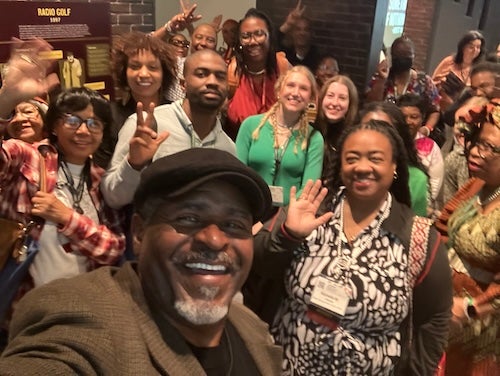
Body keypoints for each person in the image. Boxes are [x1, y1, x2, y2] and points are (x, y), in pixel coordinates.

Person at [0, 148, 282, 374]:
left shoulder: (251, 327)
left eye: (234, 224)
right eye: (188, 219)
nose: (215, 240)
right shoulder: (82, 320)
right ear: (139, 232)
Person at [251, 121, 452, 375]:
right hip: (288, 367)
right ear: (341, 164)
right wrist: (288, 236)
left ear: (395, 168)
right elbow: (257, 264)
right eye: (352, 158)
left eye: (375, 159)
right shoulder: (314, 209)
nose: (362, 167)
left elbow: (435, 318)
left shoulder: (418, 236)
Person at [0, 42, 125, 319]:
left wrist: (66, 217)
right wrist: (5, 101)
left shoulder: (99, 180)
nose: (83, 130)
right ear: (54, 125)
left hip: (86, 309)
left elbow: (114, 248)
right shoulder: (27, 157)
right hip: (26, 310)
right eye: (73, 120)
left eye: (94, 124)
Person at [101, 49, 235, 210]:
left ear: (227, 87)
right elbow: (112, 197)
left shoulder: (228, 148)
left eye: (220, 76)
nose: (212, 81)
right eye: (201, 74)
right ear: (183, 84)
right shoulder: (146, 126)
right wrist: (134, 164)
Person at [435, 99, 500, 375]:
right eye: (477, 142)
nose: (476, 151)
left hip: (483, 329)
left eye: (490, 148)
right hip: (448, 313)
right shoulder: (476, 186)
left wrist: (472, 308)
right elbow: (443, 229)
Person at [236, 65, 323, 207]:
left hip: (287, 218)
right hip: (248, 207)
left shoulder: (314, 138)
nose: (295, 93)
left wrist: (280, 220)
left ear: (310, 98)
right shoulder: (250, 125)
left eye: (303, 88)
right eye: (290, 85)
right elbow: (238, 174)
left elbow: (308, 190)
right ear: (279, 90)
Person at [94, 31, 177, 169]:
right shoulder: (109, 115)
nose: (143, 74)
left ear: (164, 73)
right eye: (135, 66)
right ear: (124, 72)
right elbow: (103, 172)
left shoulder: (176, 113)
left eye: (152, 67)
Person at [225, 8, 290, 140]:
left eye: (259, 34)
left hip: (279, 151)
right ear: (240, 41)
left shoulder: (282, 67)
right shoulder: (232, 72)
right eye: (246, 36)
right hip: (238, 153)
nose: (253, 41)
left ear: (269, 36)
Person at [361, 102, 430, 217]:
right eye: (367, 129)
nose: (373, 138)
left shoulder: (416, 179)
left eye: (384, 131)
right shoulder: (347, 170)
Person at [365, 36, 441, 135]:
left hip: (413, 136)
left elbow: (435, 110)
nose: (403, 58)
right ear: (392, 56)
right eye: (399, 55)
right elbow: (371, 104)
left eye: (407, 55)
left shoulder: (424, 81)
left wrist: (427, 128)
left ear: (414, 56)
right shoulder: (382, 78)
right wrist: (382, 79)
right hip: (384, 133)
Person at [396, 93, 444, 210]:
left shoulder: (431, 147)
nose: (408, 122)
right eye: (404, 117)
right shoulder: (389, 142)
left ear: (422, 118)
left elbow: (435, 182)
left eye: (414, 117)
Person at [313, 75, 358, 186]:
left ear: (350, 104)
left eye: (342, 98)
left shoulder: (354, 137)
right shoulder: (310, 129)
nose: (334, 103)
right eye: (330, 96)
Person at [432, 30, 485, 110]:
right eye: (471, 47)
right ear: (463, 47)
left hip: (460, 112)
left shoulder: (478, 71)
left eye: (478, 47)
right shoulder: (449, 61)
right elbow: (433, 83)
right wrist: (437, 84)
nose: (475, 50)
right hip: (439, 107)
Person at [278, 1, 321, 73]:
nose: (302, 33)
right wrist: (287, 24)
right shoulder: (285, 54)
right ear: (292, 33)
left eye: (306, 29)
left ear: (311, 33)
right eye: (298, 29)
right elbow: (271, 43)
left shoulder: (318, 58)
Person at [166, 33, 190, 103]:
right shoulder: (164, 61)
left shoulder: (190, 62)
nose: (181, 46)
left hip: (185, 103)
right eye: (176, 43)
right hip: (166, 102)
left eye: (185, 44)